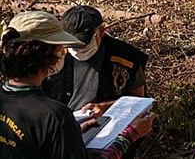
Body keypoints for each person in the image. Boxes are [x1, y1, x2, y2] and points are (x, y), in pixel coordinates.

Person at [0, 11, 155, 159]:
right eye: (61, 49)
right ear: (48, 55)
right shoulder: (54, 116)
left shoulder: (6, 101)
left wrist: (72, 133)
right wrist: (130, 135)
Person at [44, 6, 148, 118]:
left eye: (83, 45)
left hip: (106, 124)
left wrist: (105, 107)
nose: (77, 50)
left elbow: (138, 101)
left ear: (101, 31)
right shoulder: (52, 54)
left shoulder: (126, 57)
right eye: (71, 45)